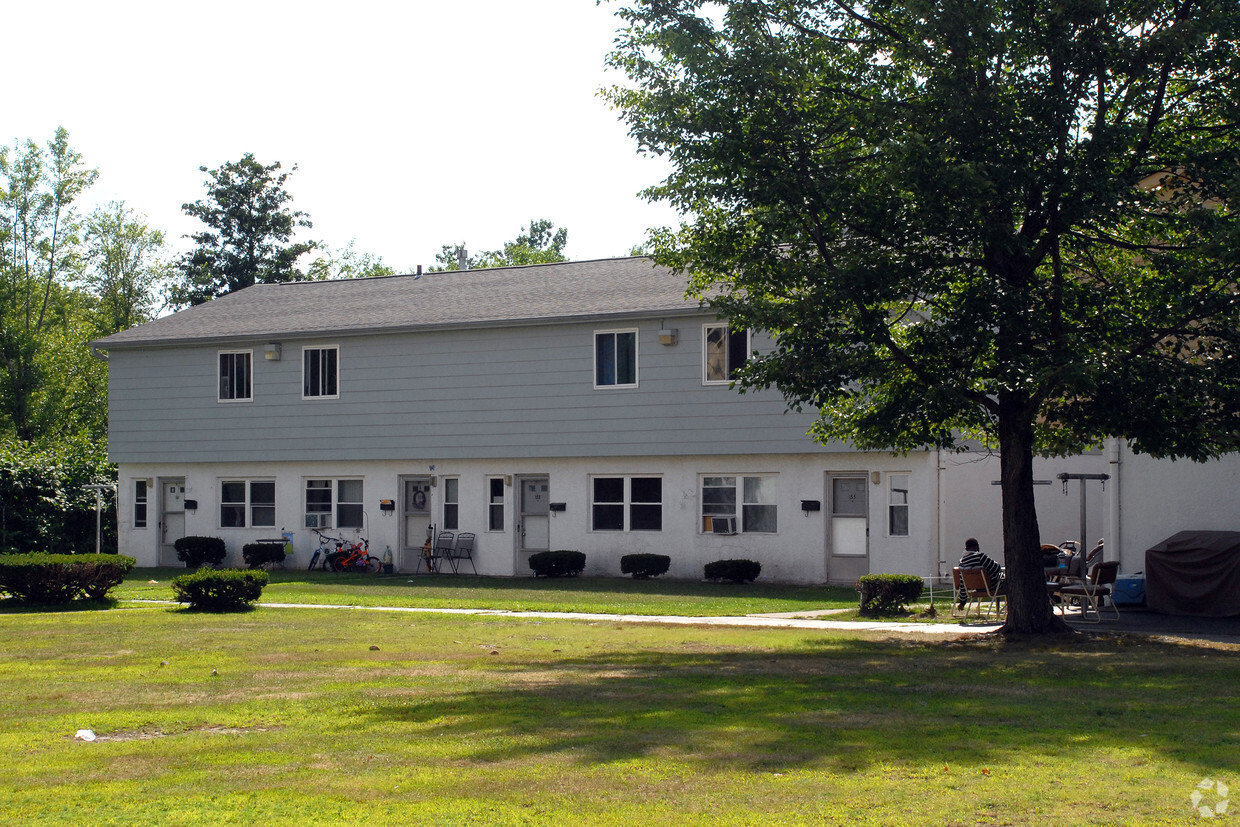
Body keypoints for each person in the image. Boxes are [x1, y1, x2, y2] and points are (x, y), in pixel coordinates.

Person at [957, 538, 1004, 606]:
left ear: (966, 548)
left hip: (978, 589)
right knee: (1008, 582)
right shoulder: (980, 557)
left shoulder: (962, 562)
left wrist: (962, 602)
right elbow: (997, 568)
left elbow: (962, 583)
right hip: (991, 587)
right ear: (977, 546)